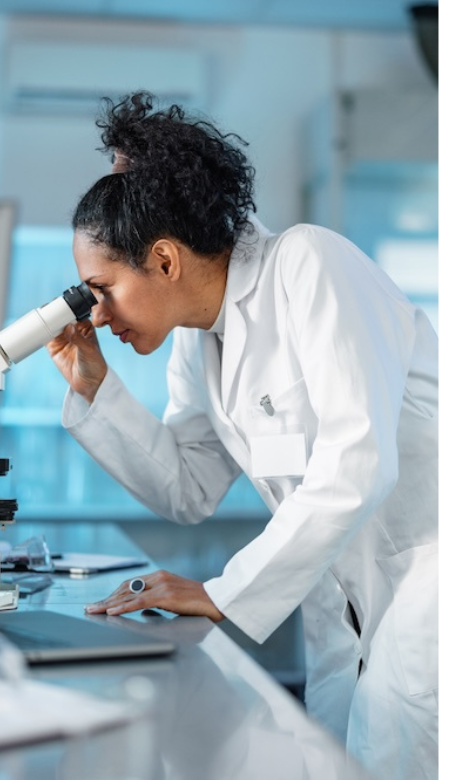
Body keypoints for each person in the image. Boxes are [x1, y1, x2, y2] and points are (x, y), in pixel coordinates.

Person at [47, 92, 439, 780]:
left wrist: (223, 592)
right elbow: (189, 488)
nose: (98, 314)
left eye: (101, 288)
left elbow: (358, 464)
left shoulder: (310, 264)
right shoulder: (199, 341)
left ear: (164, 260)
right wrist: (93, 388)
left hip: (422, 589)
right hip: (344, 609)